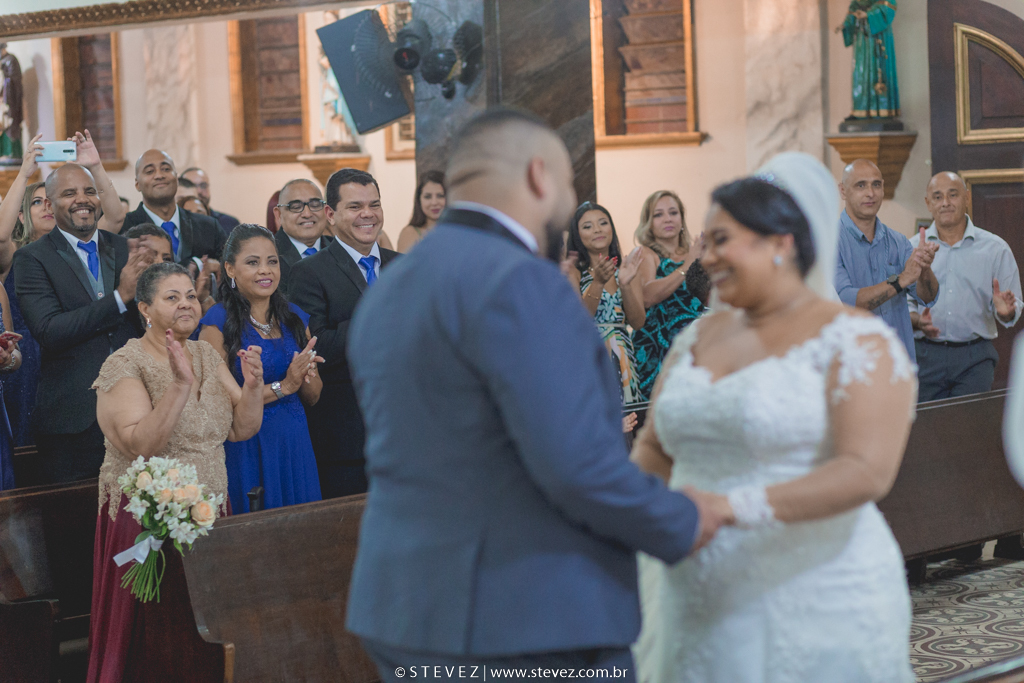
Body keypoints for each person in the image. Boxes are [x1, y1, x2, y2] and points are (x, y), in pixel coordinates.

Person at [345, 107, 726, 682]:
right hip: (521, 617)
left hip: (403, 608)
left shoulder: (395, 284)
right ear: (539, 176)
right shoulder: (519, 279)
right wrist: (682, 519)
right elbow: (576, 464)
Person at [632, 152, 916, 682]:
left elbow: (865, 470)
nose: (706, 258)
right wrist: (632, 513)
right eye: (706, 242)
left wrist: (729, 506)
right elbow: (654, 448)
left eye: (722, 241)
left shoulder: (855, 340)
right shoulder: (696, 338)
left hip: (817, 590)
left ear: (781, 244)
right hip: (693, 588)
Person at [87, 262, 264, 683]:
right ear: (145, 308)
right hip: (146, 520)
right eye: (172, 297)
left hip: (209, 514)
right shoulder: (124, 363)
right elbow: (139, 445)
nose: (186, 303)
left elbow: (241, 428)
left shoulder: (205, 353)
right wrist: (179, 388)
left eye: (191, 295)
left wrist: (254, 386)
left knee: (203, 630)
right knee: (155, 636)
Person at [13, 163, 154, 484]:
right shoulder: (33, 259)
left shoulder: (123, 248)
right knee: (76, 527)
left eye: (89, 191)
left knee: (140, 522)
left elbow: (147, 326)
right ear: (48, 204)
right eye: (69, 193)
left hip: (135, 412)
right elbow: (50, 331)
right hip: (72, 421)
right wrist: (120, 297)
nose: (83, 199)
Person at [289, 168, 399, 499]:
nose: (368, 214)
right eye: (355, 207)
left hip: (410, 432)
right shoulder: (307, 273)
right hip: (348, 437)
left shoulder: (406, 266)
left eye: (374, 204)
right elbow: (319, 347)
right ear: (331, 215)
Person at [199, 224, 323, 513]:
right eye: (253, 263)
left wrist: (306, 374)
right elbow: (223, 399)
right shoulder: (216, 322)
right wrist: (286, 386)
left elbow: (314, 396)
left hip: (294, 441)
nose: (265, 271)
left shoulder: (294, 317)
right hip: (246, 443)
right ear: (230, 269)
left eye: (272, 262)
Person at [910, 172, 1022, 400]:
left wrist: (1007, 311)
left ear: (967, 198)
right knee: (928, 433)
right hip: (925, 355)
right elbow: (903, 302)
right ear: (928, 203)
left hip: (975, 357)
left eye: (953, 195)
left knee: (969, 431)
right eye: (938, 197)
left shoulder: (995, 248)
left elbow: (1013, 306)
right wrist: (916, 320)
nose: (946, 203)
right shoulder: (912, 248)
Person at [835, 158, 939, 361]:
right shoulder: (830, 242)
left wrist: (925, 269)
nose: (870, 193)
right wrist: (901, 280)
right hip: (854, 367)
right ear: (843, 191)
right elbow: (847, 301)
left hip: (899, 364)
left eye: (876, 184)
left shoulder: (898, 241)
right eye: (860, 185)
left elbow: (928, 298)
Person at [565, 201, 646, 405]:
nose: (597, 230)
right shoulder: (573, 272)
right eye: (587, 226)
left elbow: (637, 323)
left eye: (603, 223)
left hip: (623, 358)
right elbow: (578, 321)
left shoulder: (627, 268)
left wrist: (625, 285)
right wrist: (598, 282)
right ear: (578, 235)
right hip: (589, 356)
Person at [630, 190, 704, 401]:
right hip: (657, 348)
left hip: (693, 346)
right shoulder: (645, 254)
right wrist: (687, 265)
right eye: (659, 214)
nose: (668, 219)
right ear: (649, 223)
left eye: (673, 212)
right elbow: (647, 295)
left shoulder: (694, 252)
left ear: (682, 219)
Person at [121, 150, 226, 265]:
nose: (159, 175)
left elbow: (229, 270)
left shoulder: (208, 226)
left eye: (166, 169)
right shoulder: (125, 228)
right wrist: (198, 264)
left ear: (176, 178)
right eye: (150, 171)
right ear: (137, 184)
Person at [272, 179, 334, 298]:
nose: (307, 214)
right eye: (295, 207)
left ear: (326, 211)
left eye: (315, 205)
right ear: (279, 215)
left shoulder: (340, 249)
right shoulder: (268, 256)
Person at [181, 166, 241, 236]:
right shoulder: (174, 223)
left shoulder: (229, 223)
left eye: (203, 186)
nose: (199, 191)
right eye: (192, 186)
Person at [396, 170, 446, 253]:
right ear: (419, 200)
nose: (434, 202)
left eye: (440, 196)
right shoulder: (410, 233)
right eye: (428, 197)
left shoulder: (461, 231)